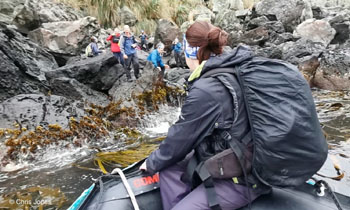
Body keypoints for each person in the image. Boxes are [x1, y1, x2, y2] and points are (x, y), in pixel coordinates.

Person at [140, 21, 266, 210]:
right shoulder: (233, 68)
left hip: (243, 176)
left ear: (192, 51)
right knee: (169, 169)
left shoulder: (206, 90)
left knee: (165, 165)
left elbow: (182, 136)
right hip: (244, 155)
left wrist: (151, 163)